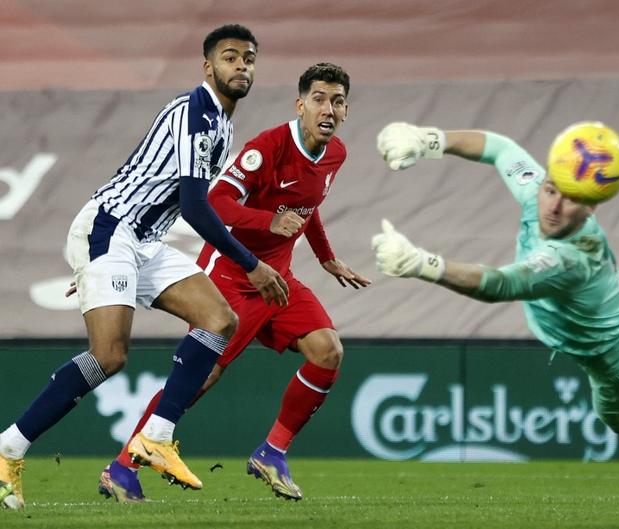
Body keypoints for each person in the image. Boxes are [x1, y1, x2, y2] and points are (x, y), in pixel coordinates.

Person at [0, 24, 291, 510]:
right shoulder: (196, 114)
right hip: (111, 229)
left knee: (220, 319)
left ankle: (155, 435)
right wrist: (252, 264)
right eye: (230, 57)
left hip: (140, 240)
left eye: (248, 59)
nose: (241, 66)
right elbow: (197, 209)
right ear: (208, 66)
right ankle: (10, 447)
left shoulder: (220, 122)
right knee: (109, 356)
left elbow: (156, 184)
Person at [370, 121, 619, 449]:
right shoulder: (541, 194)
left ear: (591, 206)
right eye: (549, 190)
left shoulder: (569, 257)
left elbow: (499, 285)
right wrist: (429, 139)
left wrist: (423, 264)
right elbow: (499, 147)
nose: (553, 206)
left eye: (568, 199)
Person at [96, 62, 369, 504]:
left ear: (346, 111)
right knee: (199, 380)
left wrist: (327, 257)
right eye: (319, 98)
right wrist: (267, 220)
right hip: (233, 275)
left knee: (328, 351)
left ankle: (272, 453)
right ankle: (122, 467)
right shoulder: (266, 148)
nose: (328, 108)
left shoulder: (335, 154)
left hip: (279, 279)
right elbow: (215, 203)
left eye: (337, 101)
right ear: (300, 104)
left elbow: (307, 204)